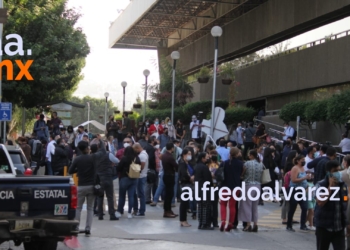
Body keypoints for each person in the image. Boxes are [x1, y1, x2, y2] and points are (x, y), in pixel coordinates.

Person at [314, 160, 348, 249]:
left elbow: (345, 203)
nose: (338, 173)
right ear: (328, 172)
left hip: (339, 227)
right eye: (335, 171)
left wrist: (347, 223)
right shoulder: (321, 185)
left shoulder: (342, 186)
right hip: (324, 227)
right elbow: (320, 203)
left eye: (339, 171)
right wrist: (330, 188)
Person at [68, 141, 96, 236]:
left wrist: (78, 170)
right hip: (92, 185)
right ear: (87, 148)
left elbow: (70, 170)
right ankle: (88, 229)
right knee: (90, 208)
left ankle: (76, 227)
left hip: (81, 185)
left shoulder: (77, 159)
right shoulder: (93, 158)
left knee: (78, 208)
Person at [238, 150, 263, 232]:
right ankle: (255, 224)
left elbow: (242, 174)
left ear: (252, 155)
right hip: (258, 186)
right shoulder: (260, 164)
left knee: (247, 205)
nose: (248, 156)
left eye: (249, 155)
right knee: (254, 206)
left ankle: (248, 225)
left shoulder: (247, 164)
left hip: (248, 185)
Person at [219, 147, 243, 232]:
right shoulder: (241, 163)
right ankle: (230, 223)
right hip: (235, 187)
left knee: (223, 204)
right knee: (232, 206)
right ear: (237, 154)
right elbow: (242, 174)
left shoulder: (224, 163)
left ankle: (223, 221)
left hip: (225, 186)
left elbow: (218, 173)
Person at [286, 155, 310, 232]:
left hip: (302, 190)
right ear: (298, 161)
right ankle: (289, 225)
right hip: (294, 190)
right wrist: (304, 178)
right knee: (293, 207)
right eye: (302, 160)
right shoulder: (295, 168)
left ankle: (303, 225)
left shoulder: (302, 168)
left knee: (305, 207)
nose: (303, 161)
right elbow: (293, 180)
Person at [116, 146, 140, 219]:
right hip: (134, 179)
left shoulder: (124, 158)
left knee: (122, 196)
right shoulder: (137, 158)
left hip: (124, 178)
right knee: (131, 196)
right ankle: (129, 212)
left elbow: (119, 168)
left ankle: (120, 211)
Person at [194, 152, 213, 230]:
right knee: (206, 206)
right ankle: (205, 224)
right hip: (205, 189)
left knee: (200, 207)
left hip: (198, 188)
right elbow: (208, 179)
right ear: (202, 158)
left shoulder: (196, 166)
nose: (207, 158)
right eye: (206, 157)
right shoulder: (204, 167)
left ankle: (200, 223)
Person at [161, 142, 178, 218]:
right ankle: (167, 211)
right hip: (170, 176)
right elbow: (176, 166)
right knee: (169, 194)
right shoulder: (170, 157)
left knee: (168, 194)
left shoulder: (164, 155)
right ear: (172, 148)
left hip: (166, 175)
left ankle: (168, 210)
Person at [178, 148, 193, 227]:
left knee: (186, 203)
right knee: (184, 203)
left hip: (189, 184)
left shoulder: (188, 163)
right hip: (185, 184)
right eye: (188, 154)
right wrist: (190, 178)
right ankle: (183, 220)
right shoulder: (182, 163)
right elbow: (184, 174)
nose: (190, 155)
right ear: (184, 155)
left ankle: (184, 220)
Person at [132, 143, 149, 216]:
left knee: (141, 193)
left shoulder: (142, 155)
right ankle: (138, 209)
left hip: (141, 176)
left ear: (137, 148)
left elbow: (141, 167)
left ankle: (142, 210)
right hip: (141, 176)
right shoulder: (143, 154)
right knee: (139, 193)